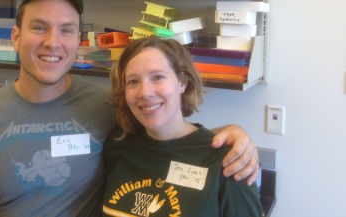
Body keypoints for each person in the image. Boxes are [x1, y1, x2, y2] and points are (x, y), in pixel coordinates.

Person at [0, 0, 260, 217]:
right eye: (39, 27)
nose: (53, 42)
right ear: (16, 37)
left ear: (77, 40)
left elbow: (166, 129)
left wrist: (230, 137)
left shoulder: (106, 107)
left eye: (66, 30)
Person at [103, 36, 263, 216]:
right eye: (133, 81)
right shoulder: (117, 146)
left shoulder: (227, 161)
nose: (145, 92)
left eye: (158, 77)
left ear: (182, 83)